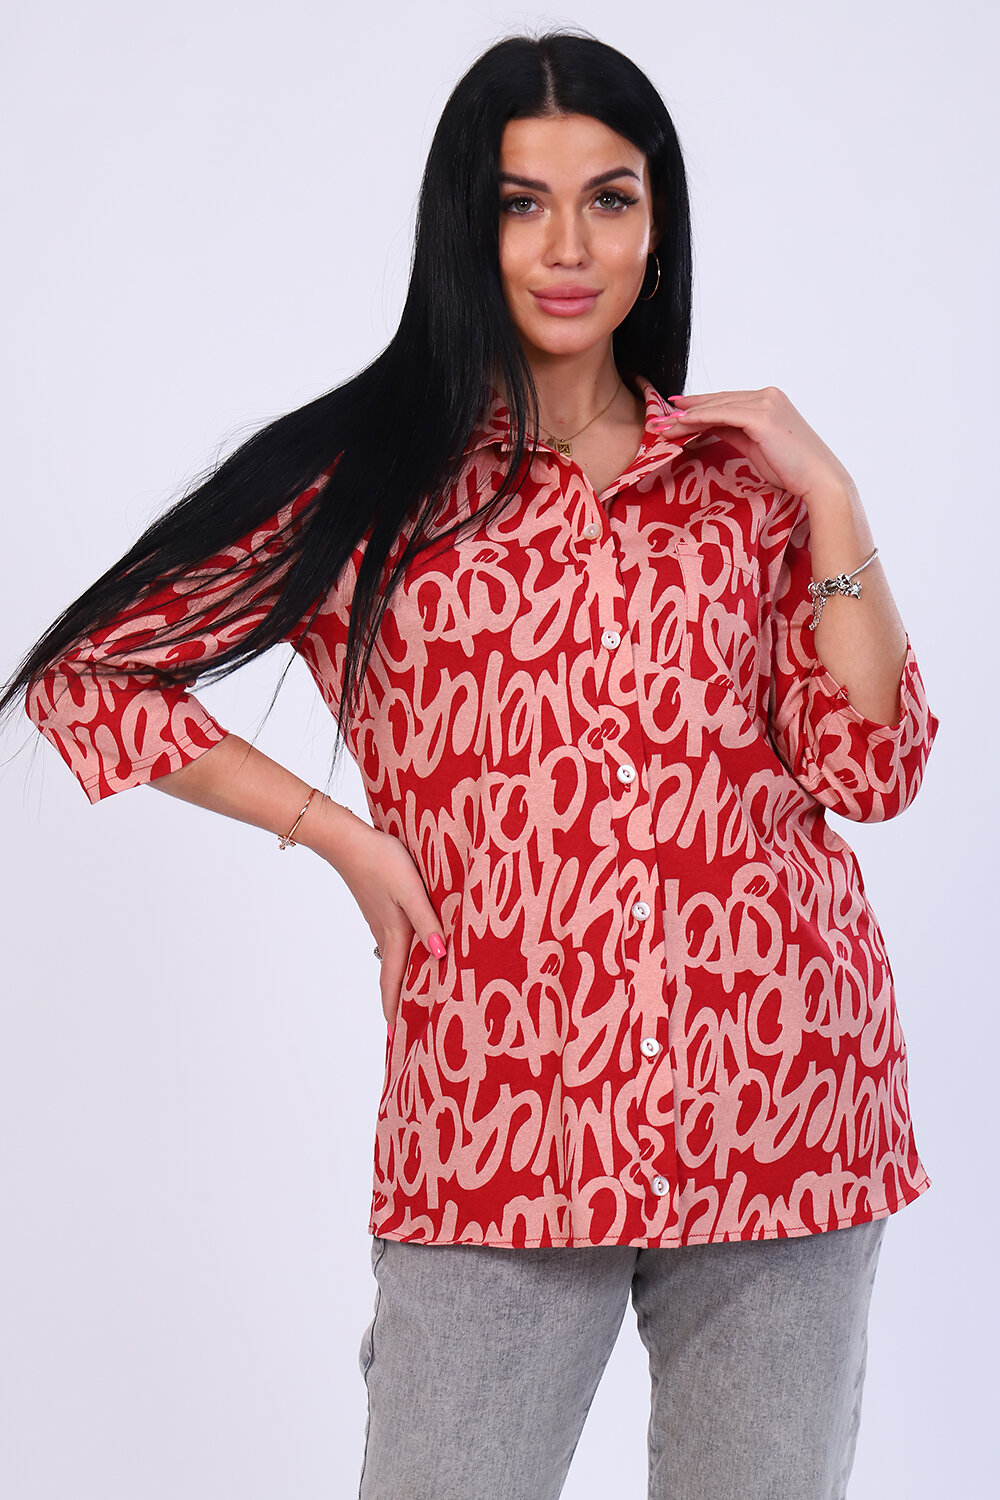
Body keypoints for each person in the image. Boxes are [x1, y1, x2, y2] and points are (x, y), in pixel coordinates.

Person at [1, 28, 939, 1500]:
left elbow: (874, 771)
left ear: (657, 222)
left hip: (785, 1108)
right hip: (499, 1122)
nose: (568, 246)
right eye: (521, 203)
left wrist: (833, 495)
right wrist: (340, 833)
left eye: (609, 199)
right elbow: (88, 675)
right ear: (466, 223)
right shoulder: (376, 481)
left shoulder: (748, 488)